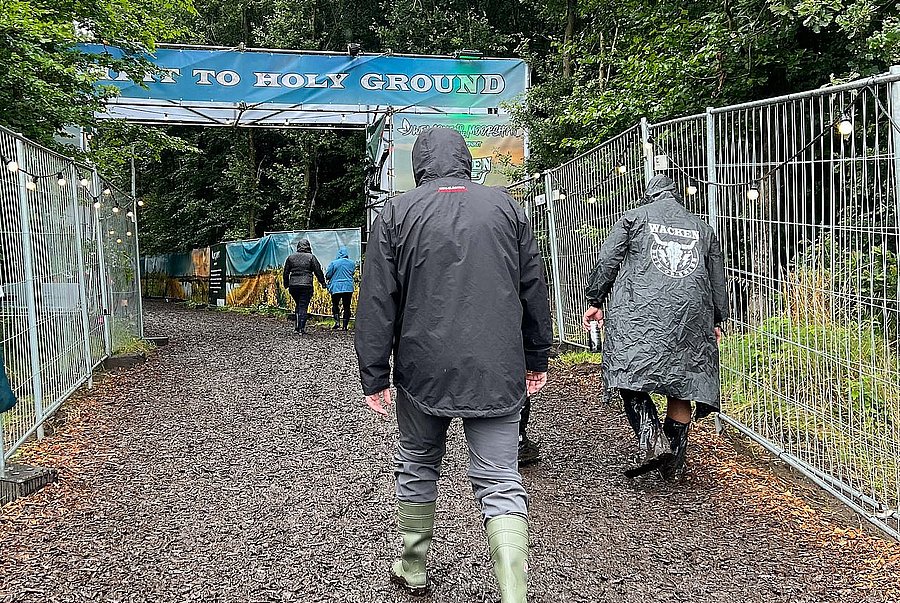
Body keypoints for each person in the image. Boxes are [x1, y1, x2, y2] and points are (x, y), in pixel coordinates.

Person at [355, 128, 552, 603]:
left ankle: (414, 567)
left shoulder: (397, 213)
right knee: (501, 480)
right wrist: (536, 354)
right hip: (496, 366)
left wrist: (375, 373)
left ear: (419, 165)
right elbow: (532, 284)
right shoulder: (506, 206)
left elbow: (378, 298)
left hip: (423, 368)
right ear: (467, 160)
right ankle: (513, 594)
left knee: (418, 464)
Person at [582, 175, 728, 480]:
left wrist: (595, 299)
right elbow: (716, 277)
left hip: (639, 311)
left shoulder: (634, 218)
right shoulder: (702, 228)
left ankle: (652, 441)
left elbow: (607, 260)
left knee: (627, 371)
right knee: (684, 384)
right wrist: (716, 319)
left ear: (649, 196)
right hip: (691, 313)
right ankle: (673, 462)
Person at [282, 239, 325, 335]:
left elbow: (286, 272)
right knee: (303, 306)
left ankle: (297, 327)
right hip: (306, 284)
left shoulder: (291, 257)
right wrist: (322, 283)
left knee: (298, 304)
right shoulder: (311, 257)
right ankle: (301, 328)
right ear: (308, 246)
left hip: (293, 285)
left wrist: (286, 283)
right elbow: (318, 271)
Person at [325, 246, 356, 330]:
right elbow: (352, 273)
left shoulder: (334, 263)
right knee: (347, 306)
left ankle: (337, 322)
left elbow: (328, 275)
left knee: (335, 304)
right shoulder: (352, 263)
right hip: (348, 287)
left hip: (336, 287)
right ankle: (345, 326)